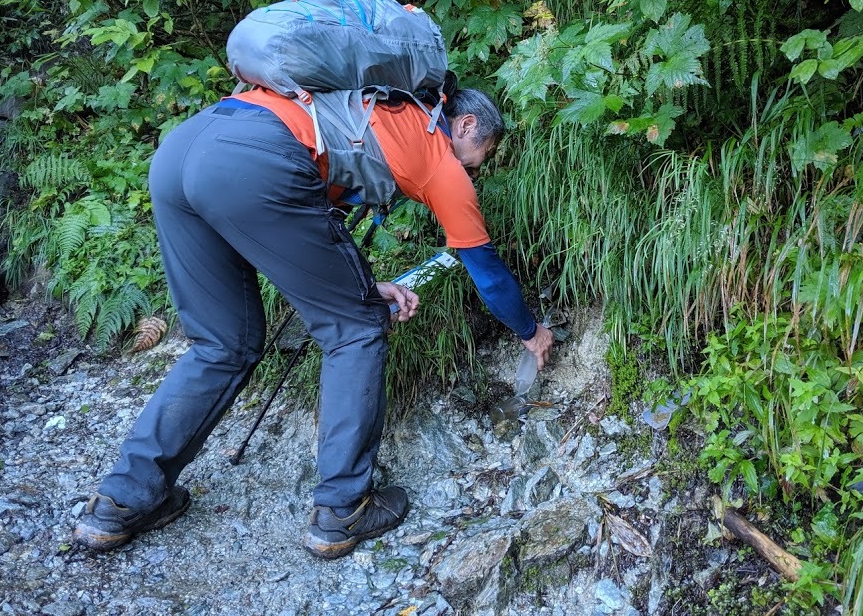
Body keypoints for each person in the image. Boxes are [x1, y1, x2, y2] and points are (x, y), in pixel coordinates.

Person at [72, 82, 555, 559]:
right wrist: (531, 333)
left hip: (183, 151)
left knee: (221, 345)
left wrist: (362, 288)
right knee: (357, 331)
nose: (475, 167)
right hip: (253, 163)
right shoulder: (437, 159)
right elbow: (488, 274)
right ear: (465, 124)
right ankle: (343, 508)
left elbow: (306, 228)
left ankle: (119, 502)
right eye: (480, 153)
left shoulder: (369, 113)